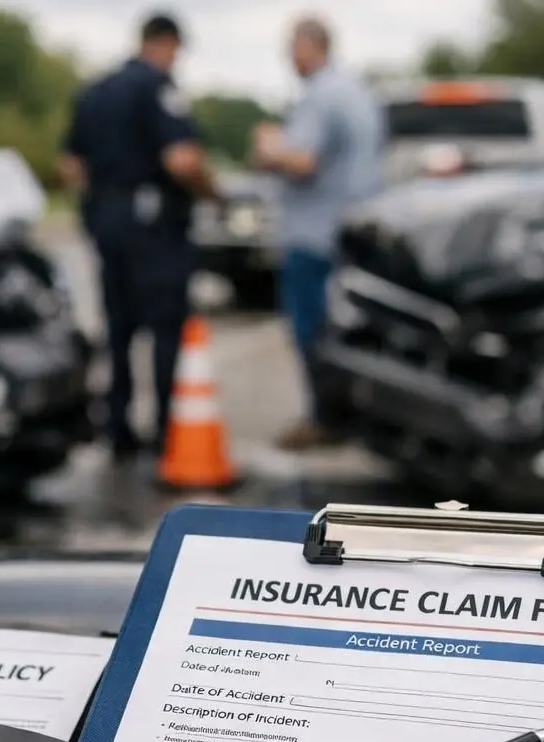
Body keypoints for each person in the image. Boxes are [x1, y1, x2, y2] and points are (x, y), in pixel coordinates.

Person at [58, 13, 221, 460]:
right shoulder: (157, 88)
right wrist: (213, 193)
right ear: (166, 43)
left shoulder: (94, 92)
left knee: (119, 329)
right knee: (166, 328)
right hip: (155, 227)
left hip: (109, 221)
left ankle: (118, 427)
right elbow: (182, 161)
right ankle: (170, 429)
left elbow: (71, 165)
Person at [251, 15, 383, 451]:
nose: (288, 55)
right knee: (345, 328)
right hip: (349, 231)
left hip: (314, 234)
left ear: (312, 45)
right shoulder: (356, 93)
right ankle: (353, 415)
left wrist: (268, 145)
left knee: (312, 330)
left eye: (292, 45)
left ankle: (326, 419)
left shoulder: (320, 95)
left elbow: (301, 161)